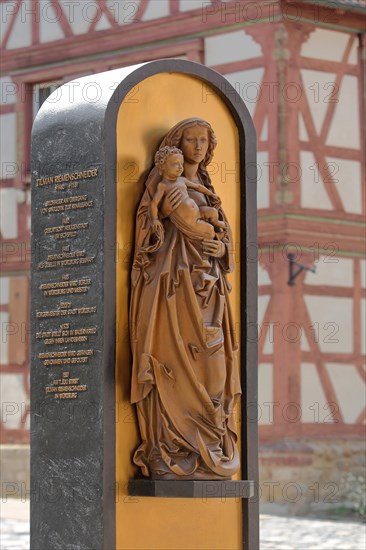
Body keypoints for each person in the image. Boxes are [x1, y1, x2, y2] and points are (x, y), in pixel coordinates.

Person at [130, 118, 241, 480]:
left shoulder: (207, 187)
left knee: (213, 357)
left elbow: (227, 245)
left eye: (203, 140)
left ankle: (210, 433)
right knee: (174, 353)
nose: (197, 146)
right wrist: (160, 215)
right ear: (179, 143)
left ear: (210, 147)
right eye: (190, 139)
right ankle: (174, 441)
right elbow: (146, 225)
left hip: (208, 282)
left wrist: (221, 247)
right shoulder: (162, 182)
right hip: (172, 281)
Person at [145, 145, 225, 251]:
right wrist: (155, 219)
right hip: (190, 222)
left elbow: (198, 187)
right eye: (175, 164)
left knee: (213, 211)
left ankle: (217, 223)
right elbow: (154, 203)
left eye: (181, 164)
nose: (180, 167)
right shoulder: (163, 186)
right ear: (162, 166)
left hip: (198, 212)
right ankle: (212, 239)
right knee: (209, 230)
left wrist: (211, 194)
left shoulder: (181, 180)